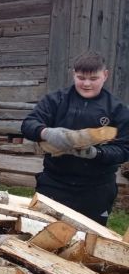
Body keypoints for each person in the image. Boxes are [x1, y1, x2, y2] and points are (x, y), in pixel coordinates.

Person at [21, 51, 129, 225]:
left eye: (93, 79)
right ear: (73, 74)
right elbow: (28, 124)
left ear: (105, 75)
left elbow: (125, 150)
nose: (86, 84)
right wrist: (46, 132)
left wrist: (96, 153)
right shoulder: (55, 100)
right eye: (81, 78)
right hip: (54, 183)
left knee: (87, 242)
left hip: (96, 190)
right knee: (40, 232)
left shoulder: (118, 110)